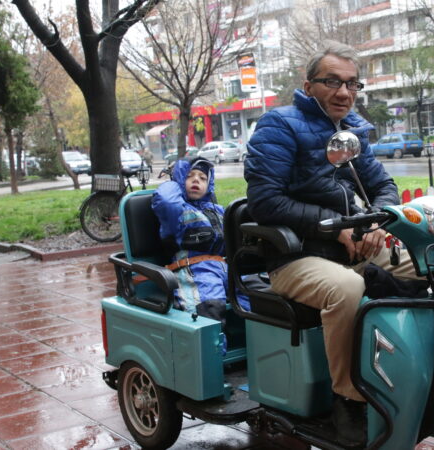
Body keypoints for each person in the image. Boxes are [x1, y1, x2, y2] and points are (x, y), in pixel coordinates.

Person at [244, 41, 403, 446]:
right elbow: (265, 201)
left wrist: (373, 222)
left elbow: (383, 184)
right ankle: (348, 401)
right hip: (295, 255)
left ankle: (429, 368)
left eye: (352, 84)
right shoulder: (278, 126)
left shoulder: (353, 130)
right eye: (332, 81)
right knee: (348, 289)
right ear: (309, 85)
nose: (344, 92)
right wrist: (336, 228)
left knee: (428, 264)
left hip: (352, 245)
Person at [151, 157, 249, 322]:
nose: (196, 179)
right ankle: (215, 348)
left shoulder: (217, 210)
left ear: (209, 184)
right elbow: (166, 200)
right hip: (195, 269)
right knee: (209, 309)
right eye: (190, 176)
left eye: (203, 178)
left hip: (226, 266)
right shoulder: (176, 212)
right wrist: (175, 179)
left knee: (257, 294)